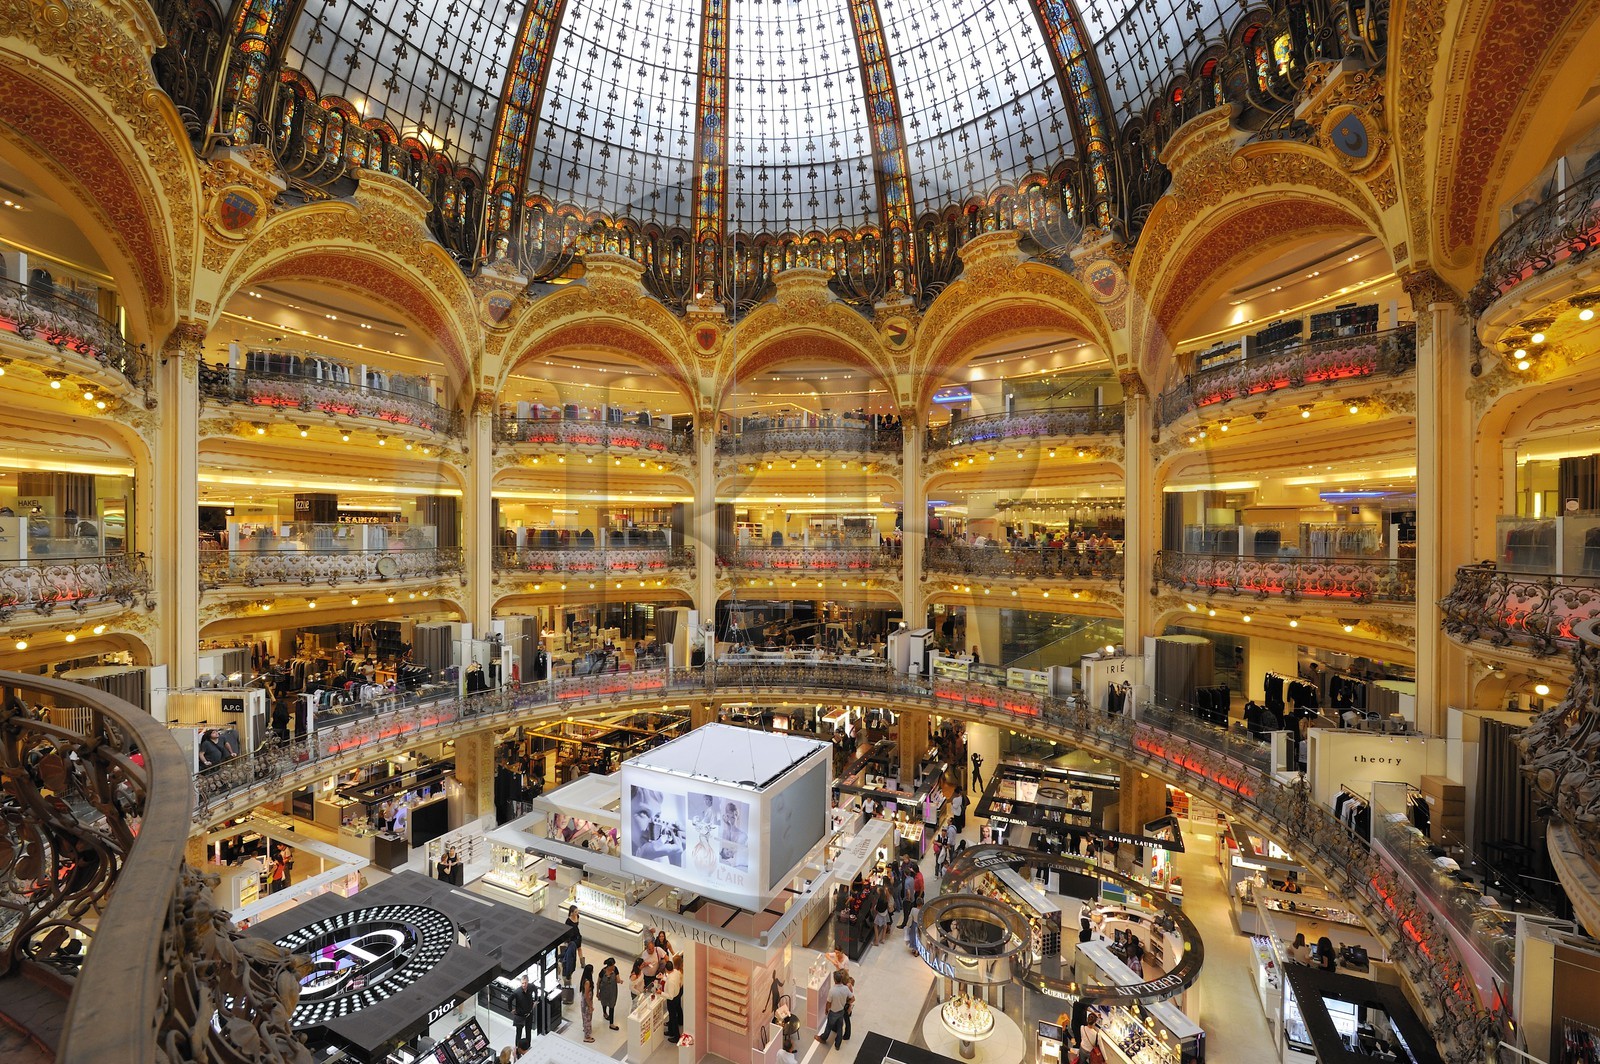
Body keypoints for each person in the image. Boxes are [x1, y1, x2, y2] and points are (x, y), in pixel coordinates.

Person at [814, 970, 853, 1051]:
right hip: (841, 1011)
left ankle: (823, 1038)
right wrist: (846, 1003)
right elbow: (852, 998)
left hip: (833, 1012)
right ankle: (838, 1044)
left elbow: (828, 1002)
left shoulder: (832, 990)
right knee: (840, 1028)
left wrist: (826, 1010)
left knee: (828, 1026)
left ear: (835, 980)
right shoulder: (845, 988)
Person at [661, 958, 684, 1042]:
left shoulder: (670, 980)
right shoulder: (676, 973)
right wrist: (663, 978)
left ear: (666, 969)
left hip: (672, 1000)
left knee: (673, 1017)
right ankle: (671, 1031)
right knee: (672, 1016)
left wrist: (660, 993)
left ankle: (676, 1036)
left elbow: (670, 996)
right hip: (677, 995)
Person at [511, 975, 535, 1052]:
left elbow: (536, 990)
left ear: (528, 982)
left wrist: (535, 1001)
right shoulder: (518, 992)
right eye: (522, 983)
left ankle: (528, 1047)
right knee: (519, 1032)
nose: (523, 985)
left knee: (528, 1031)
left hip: (529, 1014)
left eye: (525, 983)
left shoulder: (531, 987)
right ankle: (517, 1048)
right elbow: (510, 999)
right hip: (520, 1016)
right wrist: (511, 1009)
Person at [598, 957, 620, 1030]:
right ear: (609, 966)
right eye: (612, 965)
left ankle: (611, 1023)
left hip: (612, 991)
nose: (614, 967)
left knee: (612, 1005)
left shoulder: (615, 969)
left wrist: (619, 980)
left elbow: (618, 979)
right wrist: (597, 992)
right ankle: (604, 1013)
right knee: (604, 1002)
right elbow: (598, 982)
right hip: (604, 990)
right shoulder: (602, 972)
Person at [579, 963, 596, 1042]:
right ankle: (587, 1036)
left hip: (584, 1001)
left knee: (585, 1017)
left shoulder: (584, 979)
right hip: (586, 1002)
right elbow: (586, 995)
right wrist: (590, 1006)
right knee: (588, 1018)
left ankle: (586, 1029)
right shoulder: (587, 982)